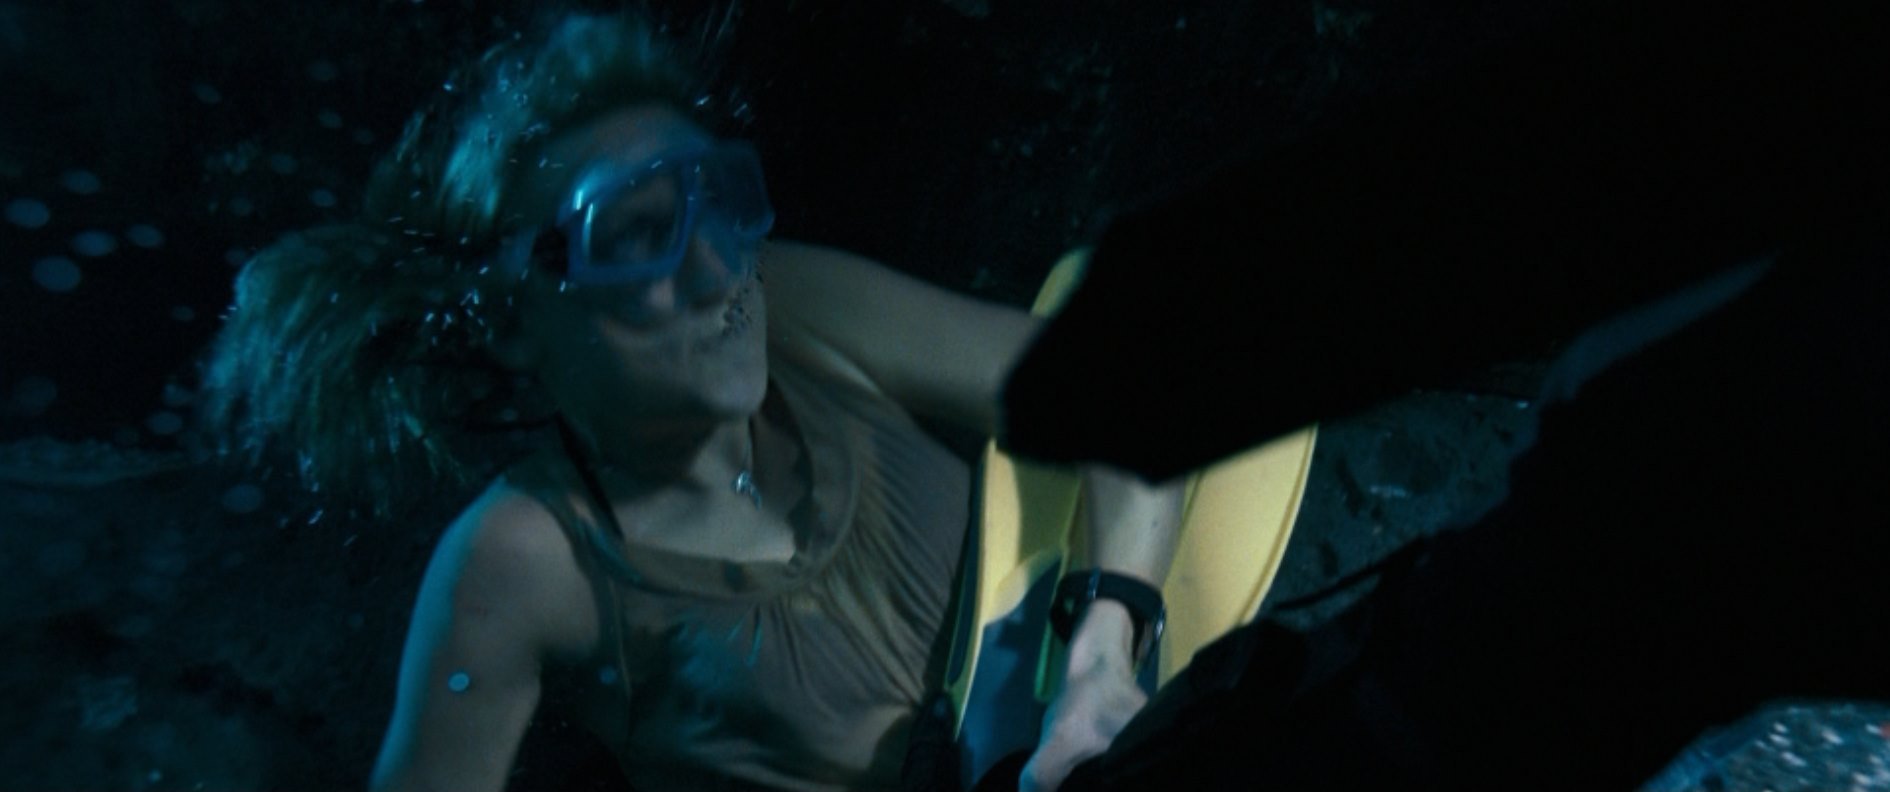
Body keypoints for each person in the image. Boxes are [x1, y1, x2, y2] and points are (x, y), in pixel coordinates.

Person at [201, 13, 1186, 792]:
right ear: (509, 318)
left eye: (722, 202)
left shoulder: (792, 301)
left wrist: (1104, 656)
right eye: (637, 236)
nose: (720, 275)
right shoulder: (518, 558)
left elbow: (1126, 382)